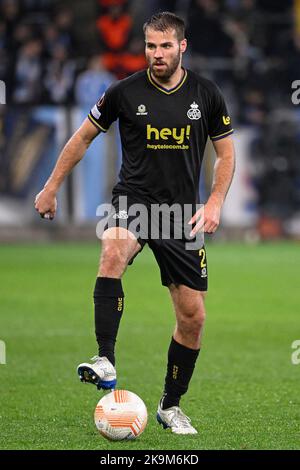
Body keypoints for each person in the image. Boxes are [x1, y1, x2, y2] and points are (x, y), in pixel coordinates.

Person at [34, 11, 235, 434]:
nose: (156, 54)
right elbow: (83, 136)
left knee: (193, 318)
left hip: (182, 215)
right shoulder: (124, 92)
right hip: (135, 202)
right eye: (150, 46)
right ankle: (105, 358)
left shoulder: (207, 94)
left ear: (182, 46)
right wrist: (51, 187)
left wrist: (215, 202)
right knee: (113, 247)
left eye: (165, 46)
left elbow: (226, 153)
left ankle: (170, 405)